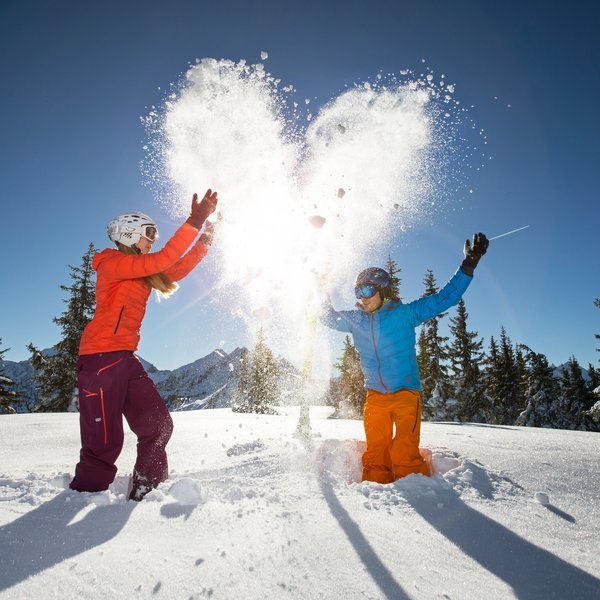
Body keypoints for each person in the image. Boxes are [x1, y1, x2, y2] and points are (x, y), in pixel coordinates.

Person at [70, 189, 218, 500]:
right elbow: (165, 258)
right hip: (99, 360)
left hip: (124, 358)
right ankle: (79, 500)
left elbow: (175, 267)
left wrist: (205, 238)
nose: (152, 239)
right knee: (103, 445)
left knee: (158, 424)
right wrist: (194, 220)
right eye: (149, 233)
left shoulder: (142, 272)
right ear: (129, 233)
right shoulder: (112, 263)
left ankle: (146, 491)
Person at [321, 233, 489, 484]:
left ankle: (416, 495)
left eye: (367, 289)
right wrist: (319, 289)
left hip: (406, 394)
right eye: (358, 292)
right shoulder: (356, 321)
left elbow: (446, 298)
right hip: (375, 396)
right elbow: (327, 317)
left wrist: (468, 265)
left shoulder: (406, 314)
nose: (362, 297)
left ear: (382, 289)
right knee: (375, 454)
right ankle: (376, 498)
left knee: (404, 455)